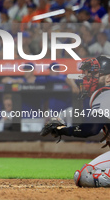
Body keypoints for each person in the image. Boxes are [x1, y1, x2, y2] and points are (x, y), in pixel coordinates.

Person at [41, 55, 110, 187]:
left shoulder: (106, 93)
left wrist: (63, 129)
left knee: (90, 178)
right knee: (83, 175)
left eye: (94, 74)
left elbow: (91, 129)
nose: (88, 78)